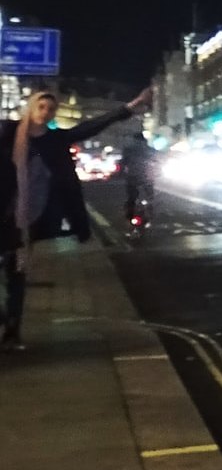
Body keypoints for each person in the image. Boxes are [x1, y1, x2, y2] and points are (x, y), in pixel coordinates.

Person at [3, 87, 151, 351]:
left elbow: (90, 127)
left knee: (16, 275)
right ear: (31, 108)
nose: (45, 112)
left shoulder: (56, 139)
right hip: (4, 212)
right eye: (41, 107)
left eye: (50, 109)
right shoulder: (8, 133)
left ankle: (12, 331)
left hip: (30, 218)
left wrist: (129, 107)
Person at [122, 135, 158, 222]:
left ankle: (130, 214)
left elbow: (124, 162)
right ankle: (151, 211)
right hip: (147, 177)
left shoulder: (129, 149)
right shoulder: (151, 150)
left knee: (132, 197)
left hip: (133, 176)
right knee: (150, 196)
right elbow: (157, 162)